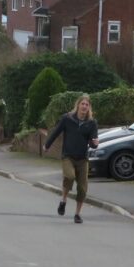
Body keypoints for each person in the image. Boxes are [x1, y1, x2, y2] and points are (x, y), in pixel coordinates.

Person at [44, 94, 99, 223]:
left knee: (82, 188)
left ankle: (77, 214)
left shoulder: (92, 123)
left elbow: (92, 142)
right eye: (82, 104)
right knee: (69, 176)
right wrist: (47, 145)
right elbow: (56, 132)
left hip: (82, 159)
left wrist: (94, 144)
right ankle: (63, 200)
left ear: (89, 107)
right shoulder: (67, 119)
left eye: (87, 104)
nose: (84, 106)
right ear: (78, 105)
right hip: (68, 156)